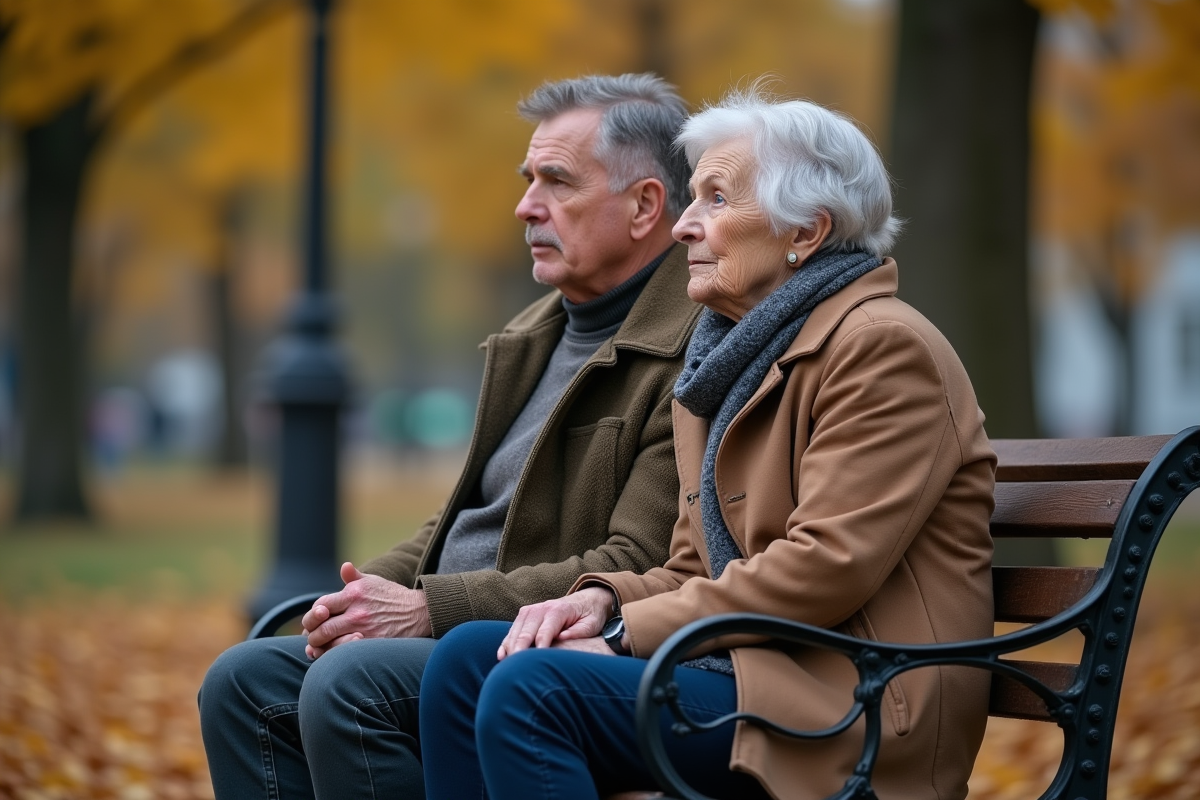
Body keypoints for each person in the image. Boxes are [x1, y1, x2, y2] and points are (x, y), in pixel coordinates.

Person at [418, 86, 997, 800]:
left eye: (716, 200)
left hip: (856, 702)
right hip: (749, 668)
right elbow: (693, 565)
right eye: (691, 199)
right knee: (468, 659)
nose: (685, 226)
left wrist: (625, 633)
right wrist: (600, 600)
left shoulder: (881, 349)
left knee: (533, 690)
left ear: (806, 233)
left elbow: (826, 566)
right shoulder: (726, 361)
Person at [198, 73, 702, 800]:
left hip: (552, 651)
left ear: (645, 205)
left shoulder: (689, 348)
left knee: (350, 685)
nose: (525, 206)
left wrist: (432, 608)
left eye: (557, 183)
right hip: (468, 629)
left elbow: (638, 560)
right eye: (529, 180)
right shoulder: (531, 337)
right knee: (241, 682)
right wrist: (363, 595)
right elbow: (464, 519)